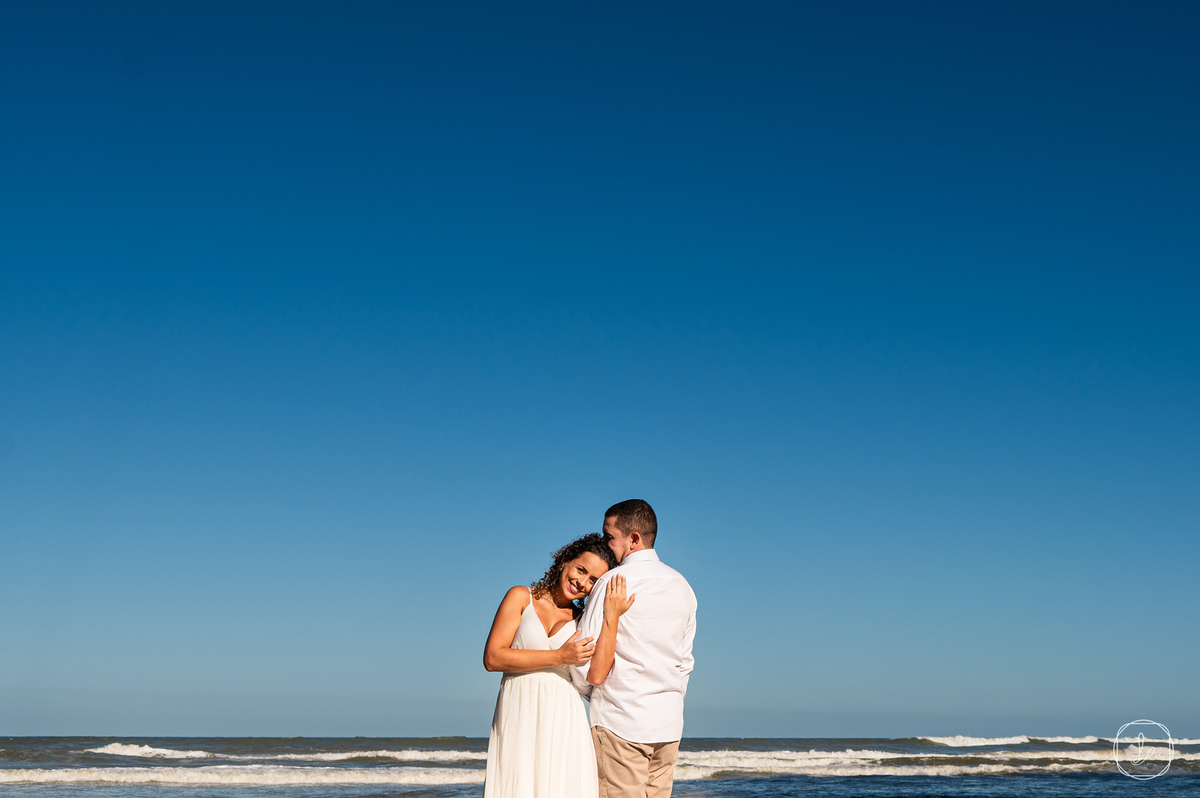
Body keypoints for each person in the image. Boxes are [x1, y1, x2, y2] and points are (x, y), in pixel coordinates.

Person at [571, 499, 697, 798]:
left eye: (609, 536)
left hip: (621, 721)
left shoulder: (613, 582)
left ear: (634, 539)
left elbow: (583, 656)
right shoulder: (682, 586)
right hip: (668, 724)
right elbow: (686, 661)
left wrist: (593, 695)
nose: (605, 543)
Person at [482, 533, 619, 798]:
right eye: (581, 570)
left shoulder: (585, 620)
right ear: (564, 561)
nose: (582, 583)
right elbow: (493, 658)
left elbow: (597, 674)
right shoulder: (522, 597)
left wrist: (612, 615)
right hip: (519, 708)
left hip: (564, 716)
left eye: (593, 581)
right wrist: (559, 656)